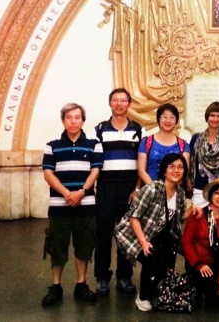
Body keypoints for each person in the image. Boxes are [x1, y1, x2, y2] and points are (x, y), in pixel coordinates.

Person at [40, 103, 103, 306]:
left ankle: (81, 283)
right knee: (57, 245)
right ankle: (56, 286)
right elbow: (48, 174)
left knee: (84, 244)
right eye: (69, 117)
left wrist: (82, 192)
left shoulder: (94, 143)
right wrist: (67, 194)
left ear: (83, 120)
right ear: (63, 121)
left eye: (77, 117)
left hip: (86, 204)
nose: (73, 121)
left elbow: (95, 171)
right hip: (59, 205)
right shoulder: (52, 144)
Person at [118, 153, 190, 312]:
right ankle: (143, 296)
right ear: (164, 171)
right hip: (133, 234)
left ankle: (156, 292)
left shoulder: (180, 194)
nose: (176, 170)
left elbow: (178, 217)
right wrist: (144, 242)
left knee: (168, 261)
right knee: (153, 261)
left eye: (180, 167)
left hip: (158, 234)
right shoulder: (152, 189)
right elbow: (134, 216)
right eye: (171, 167)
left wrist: (195, 210)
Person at [93, 88, 142, 295]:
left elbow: (141, 162)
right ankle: (102, 277)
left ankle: (124, 277)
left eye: (123, 100)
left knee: (126, 234)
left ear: (129, 104)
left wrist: (137, 189)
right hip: (106, 187)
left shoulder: (138, 129)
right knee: (103, 234)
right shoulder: (99, 130)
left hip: (129, 189)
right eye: (115, 100)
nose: (119, 104)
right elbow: (94, 162)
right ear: (110, 103)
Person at [181, 178, 219, 306]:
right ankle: (194, 282)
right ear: (211, 195)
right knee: (212, 291)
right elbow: (186, 242)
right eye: (217, 193)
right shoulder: (198, 214)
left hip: (216, 263)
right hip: (197, 262)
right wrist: (199, 264)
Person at [190, 102, 219, 207]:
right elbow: (190, 163)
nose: (215, 119)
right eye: (212, 115)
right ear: (207, 117)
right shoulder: (196, 139)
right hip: (199, 189)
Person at [137, 103, 191, 187]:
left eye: (172, 117)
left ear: (176, 121)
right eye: (165, 117)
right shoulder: (146, 142)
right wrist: (155, 189)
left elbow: (184, 172)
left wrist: (170, 189)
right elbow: (141, 170)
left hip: (175, 191)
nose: (168, 121)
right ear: (158, 119)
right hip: (150, 190)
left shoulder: (183, 145)